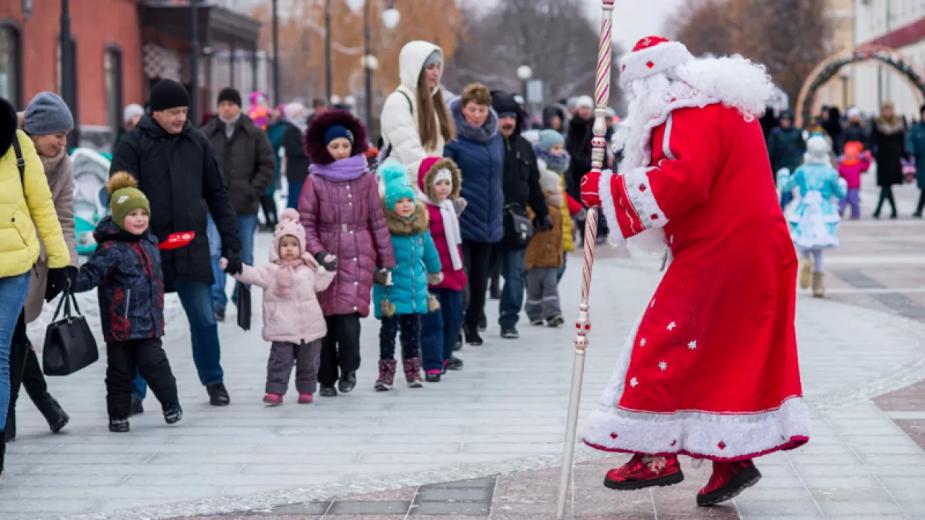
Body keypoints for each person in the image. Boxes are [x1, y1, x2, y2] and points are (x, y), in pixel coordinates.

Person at [578, 36, 809, 505]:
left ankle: (655, 454)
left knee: (662, 339)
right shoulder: (718, 105)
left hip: (725, 250)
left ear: (649, 84)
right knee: (726, 352)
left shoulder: (688, 111)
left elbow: (685, 180)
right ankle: (731, 458)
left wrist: (610, 189)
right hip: (750, 249)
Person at [110, 79, 242, 408]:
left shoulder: (196, 141)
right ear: (155, 112)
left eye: (184, 111)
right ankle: (135, 393)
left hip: (190, 246)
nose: (180, 118)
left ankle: (214, 381)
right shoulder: (132, 144)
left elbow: (217, 194)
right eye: (173, 112)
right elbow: (119, 197)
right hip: (145, 250)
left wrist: (231, 243)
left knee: (204, 319)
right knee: (141, 325)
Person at [74, 173, 182, 432]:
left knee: (156, 366)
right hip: (120, 325)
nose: (140, 219)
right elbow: (93, 274)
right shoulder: (111, 249)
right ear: (120, 218)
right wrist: (71, 281)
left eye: (143, 213)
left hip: (148, 323)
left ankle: (171, 404)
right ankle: (118, 416)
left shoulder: (149, 241)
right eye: (132, 214)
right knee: (119, 372)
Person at [0, 96, 72, 477]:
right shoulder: (16, 144)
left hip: (31, 263)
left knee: (12, 340)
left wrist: (65, 263)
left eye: (65, 136)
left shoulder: (57, 162)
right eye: (56, 135)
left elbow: (60, 214)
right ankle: (30, 409)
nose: (61, 143)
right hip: (16, 258)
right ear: (36, 130)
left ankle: (14, 419)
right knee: (10, 343)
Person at [299, 110, 394, 397]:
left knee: (349, 324)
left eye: (345, 145)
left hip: (358, 254)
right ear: (325, 149)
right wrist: (317, 252)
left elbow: (377, 220)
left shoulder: (365, 179)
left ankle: (349, 368)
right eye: (335, 146)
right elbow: (306, 222)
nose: (341, 151)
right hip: (326, 260)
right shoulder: (315, 181)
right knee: (326, 322)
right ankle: (326, 378)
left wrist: (386, 260)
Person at [222, 209, 335, 405]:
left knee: (308, 362)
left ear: (301, 246)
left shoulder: (309, 269)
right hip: (282, 326)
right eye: (284, 245)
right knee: (279, 361)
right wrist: (236, 268)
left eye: (293, 244)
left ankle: (306, 390)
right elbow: (252, 274)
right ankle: (275, 391)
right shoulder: (271, 271)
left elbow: (321, 283)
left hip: (309, 327)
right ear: (277, 247)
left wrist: (330, 270)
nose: (289, 249)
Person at [201, 87, 276, 320]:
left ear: (239, 106)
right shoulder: (206, 133)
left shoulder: (253, 133)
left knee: (245, 255)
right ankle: (217, 301)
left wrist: (253, 190)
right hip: (215, 206)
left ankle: (241, 296)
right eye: (222, 103)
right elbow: (196, 166)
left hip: (245, 205)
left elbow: (267, 164)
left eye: (231, 103)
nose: (226, 107)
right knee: (214, 252)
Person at [373, 160, 442, 391]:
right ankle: (385, 374)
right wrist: (377, 273)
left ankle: (413, 371)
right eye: (399, 201)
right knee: (388, 332)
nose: (405, 205)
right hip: (390, 290)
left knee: (413, 332)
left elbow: (430, 251)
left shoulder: (420, 227)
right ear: (390, 205)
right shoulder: (384, 229)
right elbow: (374, 254)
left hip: (414, 288)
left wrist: (435, 270)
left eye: (408, 201)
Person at [443, 83, 503, 346]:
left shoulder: (494, 136)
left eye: (482, 109)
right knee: (461, 275)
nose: (477, 114)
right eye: (472, 109)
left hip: (489, 215)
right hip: (461, 215)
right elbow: (445, 175)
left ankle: (473, 323)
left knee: (481, 277)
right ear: (463, 108)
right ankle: (455, 327)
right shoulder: (453, 137)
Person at [492, 91, 549, 340]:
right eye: (502, 116)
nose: (508, 122)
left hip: (516, 219)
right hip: (486, 218)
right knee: (479, 273)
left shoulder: (524, 146)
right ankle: (472, 319)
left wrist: (543, 212)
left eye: (512, 117)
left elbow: (534, 184)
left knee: (515, 273)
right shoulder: (486, 143)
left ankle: (508, 319)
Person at [417, 156, 466, 381]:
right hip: (432, 275)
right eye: (438, 183)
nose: (444, 188)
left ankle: (445, 356)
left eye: (447, 183)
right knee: (432, 321)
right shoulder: (422, 210)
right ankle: (432, 363)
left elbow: (454, 242)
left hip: (453, 272)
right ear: (427, 185)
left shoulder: (449, 207)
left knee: (454, 318)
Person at [780, 135, 847, 298]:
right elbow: (840, 192)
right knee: (819, 249)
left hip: (805, 209)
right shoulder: (830, 172)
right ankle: (818, 285)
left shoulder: (802, 170)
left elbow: (787, 185)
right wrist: (843, 184)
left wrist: (782, 175)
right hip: (823, 210)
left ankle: (804, 261)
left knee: (804, 242)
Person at [380, 40, 455, 181]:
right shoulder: (398, 101)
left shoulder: (432, 101)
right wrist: (434, 181)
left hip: (427, 186)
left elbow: (434, 153)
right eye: (430, 67)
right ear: (415, 69)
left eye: (438, 67)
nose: (436, 72)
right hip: (404, 189)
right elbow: (410, 153)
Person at [524, 167, 564, 327]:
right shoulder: (536, 209)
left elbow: (559, 235)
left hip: (551, 258)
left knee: (550, 288)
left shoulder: (557, 211)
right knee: (534, 290)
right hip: (534, 258)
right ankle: (534, 313)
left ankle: (553, 314)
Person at [533, 129, 576, 281]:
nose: (559, 152)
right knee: (551, 264)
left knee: (562, 264)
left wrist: (576, 209)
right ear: (545, 150)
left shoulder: (561, 169)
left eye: (560, 147)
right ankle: (545, 293)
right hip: (549, 220)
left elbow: (563, 195)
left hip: (563, 220)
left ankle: (548, 290)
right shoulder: (542, 170)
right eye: (555, 148)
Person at [870, 101, 906, 219]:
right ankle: (891, 210)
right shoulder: (877, 123)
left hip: (894, 156)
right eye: (885, 110)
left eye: (889, 109)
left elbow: (902, 141)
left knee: (887, 185)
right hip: (883, 157)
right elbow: (873, 139)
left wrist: (904, 155)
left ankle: (879, 210)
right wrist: (873, 152)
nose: (887, 112)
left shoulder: (899, 124)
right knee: (886, 184)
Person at [767, 110, 805, 205]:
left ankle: (795, 208)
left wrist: (799, 159)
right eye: (783, 119)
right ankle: (781, 208)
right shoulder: (775, 133)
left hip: (794, 164)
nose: (785, 122)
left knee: (795, 189)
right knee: (781, 189)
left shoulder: (797, 132)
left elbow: (802, 148)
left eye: (787, 120)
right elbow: (770, 149)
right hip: (780, 165)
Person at [277, 102, 311, 210]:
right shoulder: (290, 129)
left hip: (304, 170)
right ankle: (288, 221)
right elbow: (292, 149)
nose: (303, 114)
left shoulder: (302, 128)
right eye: (300, 112)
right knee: (294, 198)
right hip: (296, 171)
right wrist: (308, 150)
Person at [837, 141, 872, 220]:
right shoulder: (842, 164)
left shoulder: (857, 164)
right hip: (845, 187)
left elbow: (865, 167)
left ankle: (855, 214)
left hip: (854, 187)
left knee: (854, 201)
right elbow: (838, 172)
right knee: (842, 201)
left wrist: (868, 159)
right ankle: (840, 211)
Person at [905, 104, 925, 217]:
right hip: (921, 162)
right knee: (923, 187)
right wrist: (911, 152)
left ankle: (919, 210)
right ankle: (919, 210)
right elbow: (910, 141)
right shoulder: (916, 128)